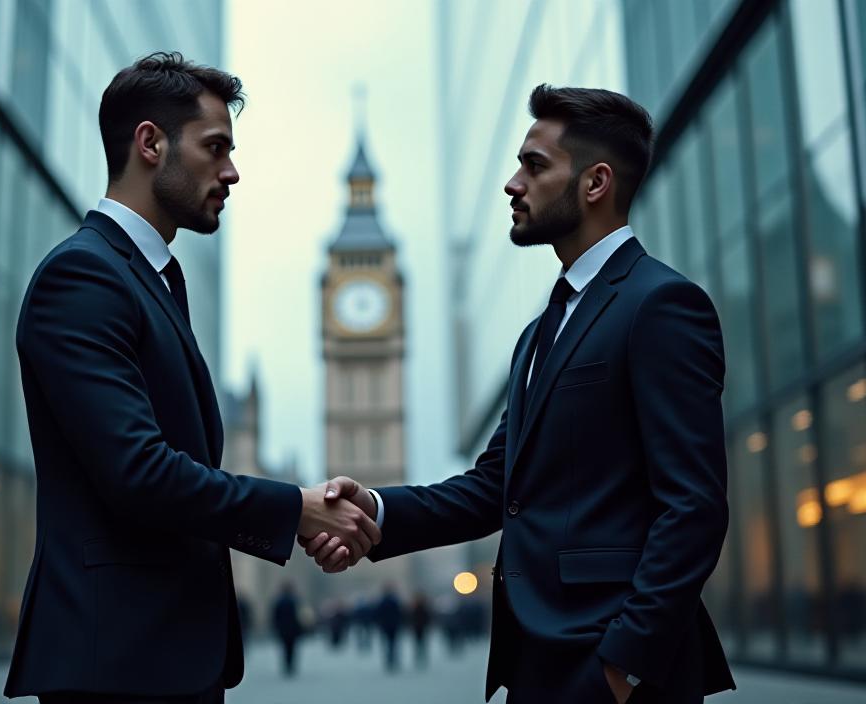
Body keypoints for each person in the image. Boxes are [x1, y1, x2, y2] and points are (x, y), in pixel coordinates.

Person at [306, 85, 734, 703]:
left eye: (534, 165)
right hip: (536, 664)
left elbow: (694, 508)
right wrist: (374, 509)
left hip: (610, 671)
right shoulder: (542, 331)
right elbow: (495, 486)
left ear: (595, 184)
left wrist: (621, 668)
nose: (512, 183)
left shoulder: (661, 305)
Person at [1, 52, 380, 704]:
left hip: (164, 658)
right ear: (150, 143)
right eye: (215, 148)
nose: (232, 172)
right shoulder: (84, 276)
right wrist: (296, 508)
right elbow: (139, 472)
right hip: (118, 664)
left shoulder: (150, 280)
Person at [271, 583, 302, 678]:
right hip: (293, 629)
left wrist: (276, 627)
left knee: (284, 647)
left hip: (283, 629)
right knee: (292, 648)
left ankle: (286, 665)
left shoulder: (279, 601)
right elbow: (300, 615)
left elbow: (275, 616)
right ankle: (290, 665)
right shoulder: (295, 600)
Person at [377, 585, 403, 673]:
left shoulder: (382, 601)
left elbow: (379, 614)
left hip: (386, 625)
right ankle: (393, 658)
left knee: (388, 643)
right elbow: (400, 613)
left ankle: (389, 659)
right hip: (394, 625)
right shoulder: (395, 601)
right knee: (393, 643)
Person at [409, 592, 432, 668]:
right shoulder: (415, 608)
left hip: (421, 627)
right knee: (419, 642)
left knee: (421, 642)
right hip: (417, 627)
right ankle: (419, 656)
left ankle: (421, 656)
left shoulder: (419, 608)